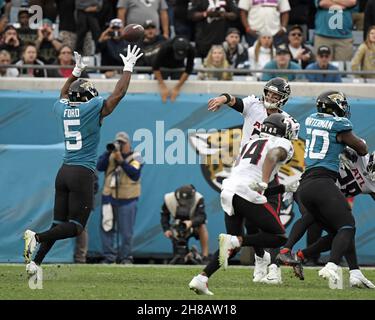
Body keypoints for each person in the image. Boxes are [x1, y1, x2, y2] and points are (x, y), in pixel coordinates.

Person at [23, 45, 143, 278]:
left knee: (58, 223)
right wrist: (127, 68)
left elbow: (62, 94)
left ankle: (35, 263)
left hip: (64, 171)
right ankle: (36, 237)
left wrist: (76, 72)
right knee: (75, 227)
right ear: (88, 96)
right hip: (82, 172)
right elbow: (118, 94)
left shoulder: (62, 108)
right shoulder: (92, 108)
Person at [187, 78, 300, 293]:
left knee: (231, 244)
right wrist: (267, 182)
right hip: (250, 184)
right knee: (277, 235)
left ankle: (202, 278)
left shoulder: (251, 141)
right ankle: (262, 259)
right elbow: (273, 155)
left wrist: (282, 187)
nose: (271, 98)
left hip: (231, 184)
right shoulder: (281, 141)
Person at [278, 90, 369, 289]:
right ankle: (331, 265)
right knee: (348, 227)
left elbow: (332, 141)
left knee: (338, 231)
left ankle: (354, 272)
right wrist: (359, 145)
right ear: (335, 106)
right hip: (323, 182)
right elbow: (361, 148)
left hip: (305, 185)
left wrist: (343, 148)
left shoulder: (311, 119)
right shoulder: (341, 125)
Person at [277, 147, 375, 288]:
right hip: (313, 187)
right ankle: (286, 251)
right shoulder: (359, 154)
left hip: (328, 197)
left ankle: (299, 255)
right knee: (316, 217)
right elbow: (342, 142)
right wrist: (345, 151)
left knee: (342, 233)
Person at [97, 131, 144, 264]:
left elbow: (135, 174)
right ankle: (109, 257)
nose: (120, 145)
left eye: (122, 143)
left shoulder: (138, 156)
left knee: (126, 232)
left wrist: (121, 161)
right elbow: (99, 167)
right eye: (118, 142)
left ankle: (126, 257)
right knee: (107, 228)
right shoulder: (110, 155)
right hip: (109, 198)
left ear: (128, 144)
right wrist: (108, 153)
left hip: (128, 199)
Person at [161, 184, 209, 264]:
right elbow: (164, 215)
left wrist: (191, 222)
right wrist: (166, 229)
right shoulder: (169, 199)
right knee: (178, 254)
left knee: (202, 226)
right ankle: (184, 255)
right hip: (177, 225)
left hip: (193, 224)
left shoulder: (198, 198)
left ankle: (205, 256)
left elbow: (202, 217)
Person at [152, 36, 195, 102]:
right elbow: (155, 67)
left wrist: (177, 87)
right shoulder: (166, 46)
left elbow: (189, 69)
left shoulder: (190, 48)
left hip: (179, 66)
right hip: (163, 66)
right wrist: (162, 86)